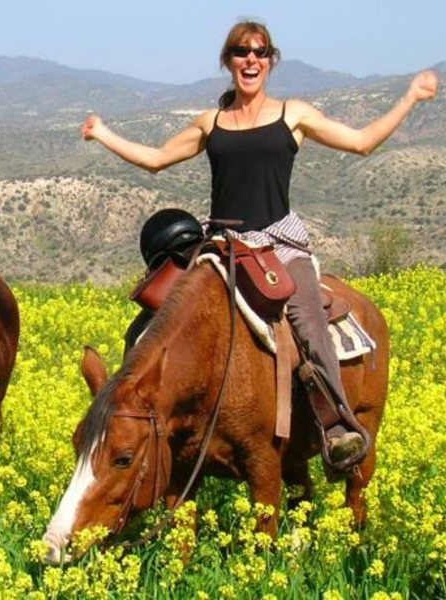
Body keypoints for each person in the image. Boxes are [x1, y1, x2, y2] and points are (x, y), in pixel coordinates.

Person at [81, 20, 438, 466]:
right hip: (222, 245)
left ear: (271, 61)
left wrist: (409, 99)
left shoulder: (294, 114)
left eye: (260, 52)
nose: (251, 60)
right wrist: (103, 133)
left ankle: (337, 425)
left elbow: (362, 143)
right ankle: (136, 423)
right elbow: (155, 160)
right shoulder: (211, 122)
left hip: (278, 244)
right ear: (228, 62)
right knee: (155, 317)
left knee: (307, 319)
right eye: (241, 52)